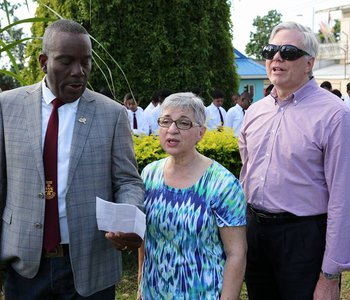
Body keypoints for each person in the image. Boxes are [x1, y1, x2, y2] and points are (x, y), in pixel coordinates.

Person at [0, 19, 144, 299]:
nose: (78, 72)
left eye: (85, 62)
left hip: (91, 265)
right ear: (43, 61)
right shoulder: (8, 107)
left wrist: (127, 218)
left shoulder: (111, 114)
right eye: (66, 62)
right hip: (25, 266)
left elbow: (128, 181)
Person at [239, 21, 350, 300]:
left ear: (309, 63)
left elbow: (343, 196)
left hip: (303, 239)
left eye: (288, 52)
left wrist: (330, 275)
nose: (276, 58)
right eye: (270, 50)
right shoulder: (255, 112)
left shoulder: (334, 115)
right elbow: (246, 173)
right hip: (255, 234)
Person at [138, 93, 247, 299]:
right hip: (155, 292)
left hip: (204, 293)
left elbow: (236, 253)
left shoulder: (222, 183)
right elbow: (146, 239)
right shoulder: (149, 175)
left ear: (201, 132)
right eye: (166, 121)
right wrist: (141, 286)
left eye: (184, 123)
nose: (172, 130)